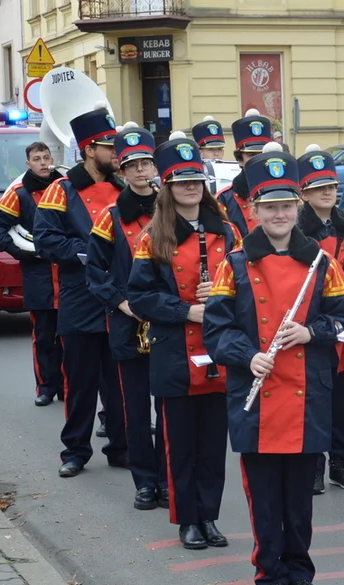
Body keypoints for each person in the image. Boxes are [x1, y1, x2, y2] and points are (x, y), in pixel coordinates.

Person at [205, 144, 344, 585]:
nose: (279, 214)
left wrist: (312, 332)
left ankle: (299, 569)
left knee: (300, 496)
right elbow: (216, 328)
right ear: (253, 210)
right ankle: (269, 573)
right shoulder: (233, 263)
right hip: (257, 395)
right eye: (269, 206)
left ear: (298, 207)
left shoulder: (321, 263)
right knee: (265, 495)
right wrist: (247, 356)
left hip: (309, 392)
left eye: (286, 205)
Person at [128, 132, 239, 551]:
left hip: (219, 351)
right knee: (180, 445)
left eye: (197, 180)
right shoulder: (152, 237)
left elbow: (246, 284)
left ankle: (209, 515)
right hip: (175, 351)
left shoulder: (227, 232)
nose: (192, 187)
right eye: (182, 181)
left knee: (213, 444)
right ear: (169, 187)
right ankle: (187, 520)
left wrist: (224, 294)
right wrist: (184, 309)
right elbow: (138, 296)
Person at [35, 103, 128, 478]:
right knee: (80, 381)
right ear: (90, 149)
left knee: (120, 381)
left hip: (120, 300)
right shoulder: (62, 189)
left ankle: (121, 447)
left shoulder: (123, 188)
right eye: (109, 146)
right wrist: (86, 252)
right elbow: (45, 240)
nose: (116, 153)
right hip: (78, 297)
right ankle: (75, 450)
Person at [86, 124, 164, 511]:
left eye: (145, 162)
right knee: (135, 409)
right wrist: (120, 303)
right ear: (121, 169)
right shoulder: (109, 216)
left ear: (154, 166)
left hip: (166, 323)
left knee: (169, 407)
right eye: (132, 164)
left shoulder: (171, 211)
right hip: (127, 322)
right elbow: (94, 271)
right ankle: (145, 482)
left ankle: (167, 478)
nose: (139, 170)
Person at [296, 145, 344, 493]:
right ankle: (312, 466)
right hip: (311, 320)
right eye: (320, 186)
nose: (329, 191)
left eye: (332, 185)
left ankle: (341, 464)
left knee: (342, 402)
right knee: (313, 403)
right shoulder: (296, 229)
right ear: (304, 192)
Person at [0, 141, 64, 407]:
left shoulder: (65, 186)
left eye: (46, 157)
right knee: (43, 336)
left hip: (67, 275)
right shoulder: (19, 193)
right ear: (28, 164)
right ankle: (45, 387)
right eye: (36, 159)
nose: (43, 163)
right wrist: (18, 251)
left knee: (71, 336)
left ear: (51, 158)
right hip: (38, 275)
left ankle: (68, 385)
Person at [217, 109, 274, 236]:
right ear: (240, 160)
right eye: (252, 155)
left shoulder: (290, 194)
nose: (258, 160)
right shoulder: (223, 199)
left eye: (262, 155)